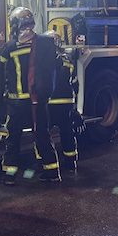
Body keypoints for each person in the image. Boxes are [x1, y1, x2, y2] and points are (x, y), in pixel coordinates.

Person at [0, 7, 61, 185]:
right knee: (42, 134)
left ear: (16, 25)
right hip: (37, 100)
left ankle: (10, 175)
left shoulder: (10, 47)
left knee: (13, 138)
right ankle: (52, 171)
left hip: (17, 101)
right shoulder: (44, 43)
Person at [44, 31, 84, 172]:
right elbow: (75, 84)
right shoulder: (67, 61)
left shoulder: (42, 62)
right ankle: (71, 163)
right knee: (67, 133)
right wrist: (75, 107)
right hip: (66, 104)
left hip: (48, 104)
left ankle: (45, 164)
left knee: (44, 135)